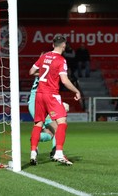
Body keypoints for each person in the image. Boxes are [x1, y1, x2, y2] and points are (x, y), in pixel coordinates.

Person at [29, 36, 81, 166]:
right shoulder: (61, 60)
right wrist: (76, 90)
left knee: (38, 124)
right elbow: (64, 80)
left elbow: (31, 71)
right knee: (62, 122)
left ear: (53, 45)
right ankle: (58, 152)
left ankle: (33, 152)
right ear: (64, 46)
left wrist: (41, 73)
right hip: (51, 95)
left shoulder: (44, 56)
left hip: (38, 95)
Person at [27, 75, 70, 159]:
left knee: (48, 131)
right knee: (58, 126)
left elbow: (32, 72)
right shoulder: (51, 68)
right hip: (43, 101)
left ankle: (35, 139)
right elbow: (63, 81)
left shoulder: (41, 68)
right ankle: (55, 151)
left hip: (33, 102)